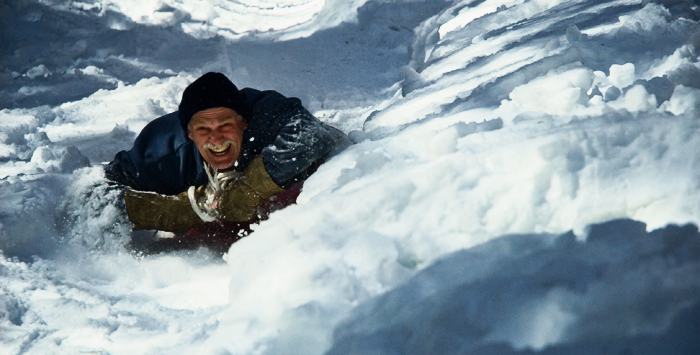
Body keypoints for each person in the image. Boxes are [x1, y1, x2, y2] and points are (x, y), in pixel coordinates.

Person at [104, 72, 351, 252]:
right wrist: (174, 211)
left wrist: (248, 189)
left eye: (226, 125)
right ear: (189, 133)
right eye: (203, 129)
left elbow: (314, 135)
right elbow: (94, 192)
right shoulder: (165, 152)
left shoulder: (265, 115)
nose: (216, 138)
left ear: (244, 123)